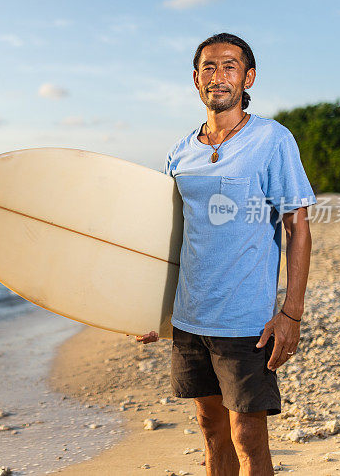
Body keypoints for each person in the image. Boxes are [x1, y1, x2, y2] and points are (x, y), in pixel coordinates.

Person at [133, 33, 314, 475]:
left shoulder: (272, 140)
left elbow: (298, 227)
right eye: (208, 68)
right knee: (211, 429)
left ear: (247, 77)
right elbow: (169, 236)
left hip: (246, 321)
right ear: (196, 80)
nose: (218, 76)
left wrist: (291, 313)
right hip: (190, 318)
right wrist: (145, 310)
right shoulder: (180, 152)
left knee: (248, 436)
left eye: (229, 66)